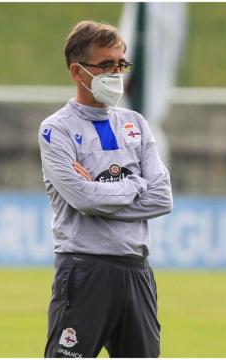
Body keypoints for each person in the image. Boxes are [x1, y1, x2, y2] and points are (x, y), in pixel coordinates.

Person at [38, 20, 173, 358]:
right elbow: (81, 197)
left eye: (121, 64)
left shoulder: (137, 124)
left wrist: (101, 192)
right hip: (85, 269)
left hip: (137, 271)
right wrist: (134, 185)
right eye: (106, 65)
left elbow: (162, 197)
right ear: (77, 71)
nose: (116, 73)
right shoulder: (56, 130)